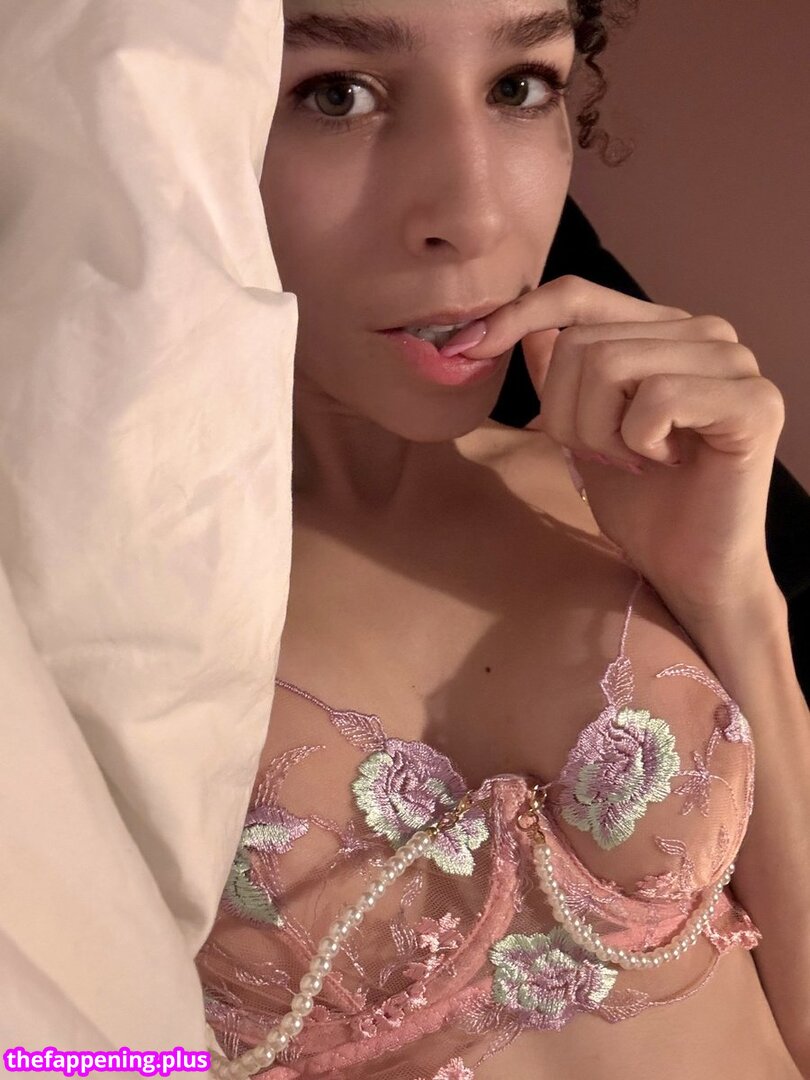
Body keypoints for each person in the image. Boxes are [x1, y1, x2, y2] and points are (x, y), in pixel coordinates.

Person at [196, 2, 810, 1077]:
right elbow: (56, 1054)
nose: (474, 217)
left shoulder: (621, 495)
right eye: (336, 94)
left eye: (519, 86)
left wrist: (733, 593)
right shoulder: (87, 618)